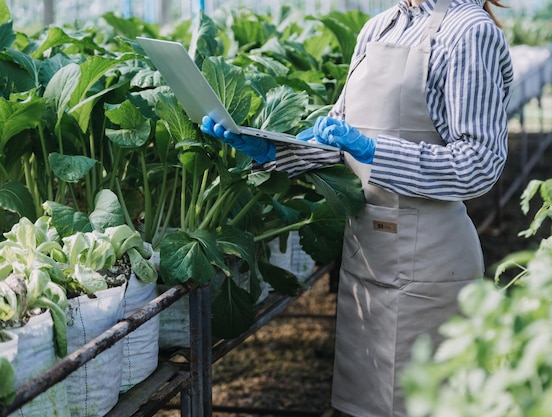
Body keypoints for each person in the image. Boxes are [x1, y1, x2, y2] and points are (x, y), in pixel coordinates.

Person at [201, 0, 513, 416]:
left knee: (423, 406)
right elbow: (335, 145)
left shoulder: (469, 32)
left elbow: (479, 164)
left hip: (429, 267)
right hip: (366, 259)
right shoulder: (379, 27)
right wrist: (269, 150)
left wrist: (374, 151)